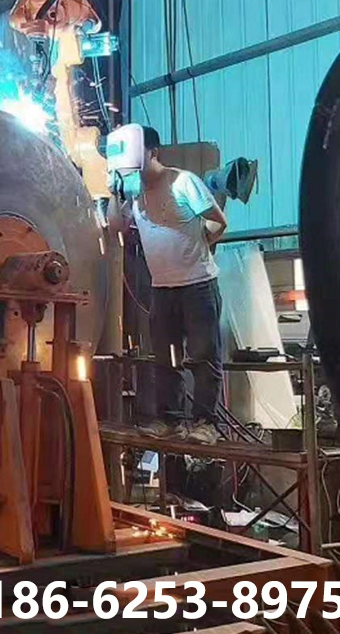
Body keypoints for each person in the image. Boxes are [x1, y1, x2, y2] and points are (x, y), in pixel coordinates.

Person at [108, 126, 227, 445]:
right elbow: (116, 226)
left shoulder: (183, 182)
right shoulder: (134, 192)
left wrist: (201, 246)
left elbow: (218, 220)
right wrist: (115, 192)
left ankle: (206, 423)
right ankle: (170, 419)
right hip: (162, 288)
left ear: (153, 152)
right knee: (166, 358)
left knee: (203, 356)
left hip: (198, 284)